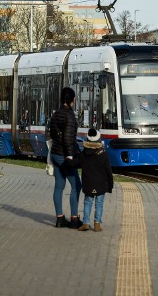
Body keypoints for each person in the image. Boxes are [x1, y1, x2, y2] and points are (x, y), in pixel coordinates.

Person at [49, 87, 83, 229]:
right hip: (64, 156)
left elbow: (51, 133)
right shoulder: (69, 115)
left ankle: (60, 218)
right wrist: (70, 157)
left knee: (59, 186)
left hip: (55, 154)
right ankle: (74, 218)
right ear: (71, 100)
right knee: (76, 184)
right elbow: (69, 138)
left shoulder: (56, 113)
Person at [77, 128, 113, 232]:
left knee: (88, 202)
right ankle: (97, 224)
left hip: (88, 184)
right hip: (101, 184)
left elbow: (76, 163)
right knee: (99, 204)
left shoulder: (84, 154)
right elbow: (108, 171)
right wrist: (110, 185)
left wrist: (67, 161)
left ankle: (85, 223)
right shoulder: (103, 154)